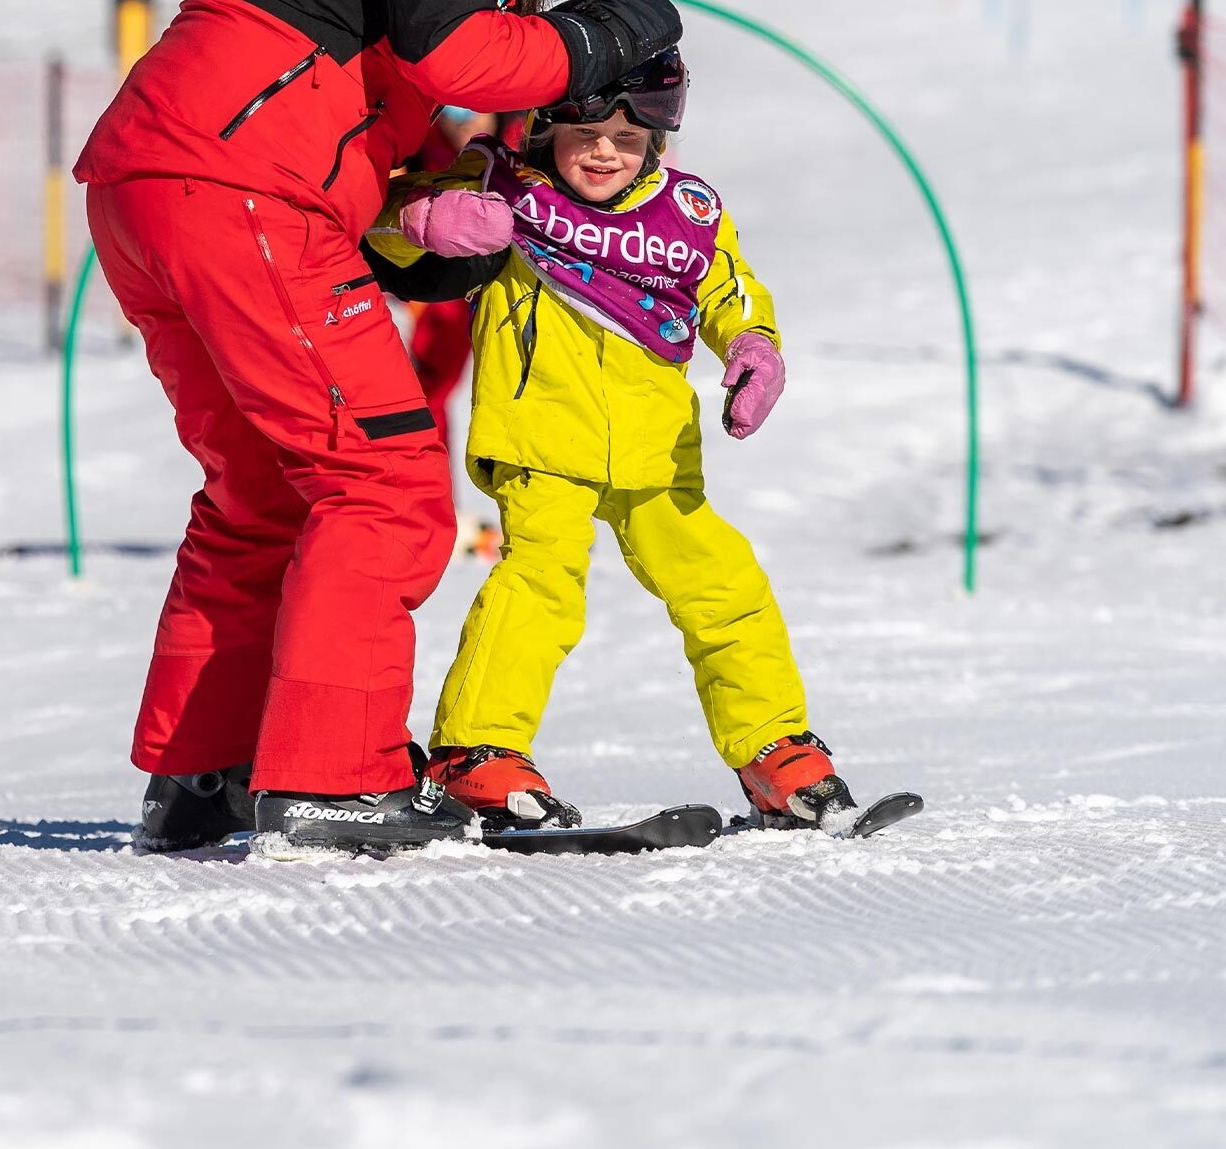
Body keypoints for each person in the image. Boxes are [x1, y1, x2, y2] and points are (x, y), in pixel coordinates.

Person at [78, 0, 688, 858]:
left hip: (158, 187)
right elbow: (458, 49)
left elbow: (385, 112)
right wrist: (599, 38)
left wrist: (434, 222)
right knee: (383, 482)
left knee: (263, 492)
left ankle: (205, 772)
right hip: (240, 189)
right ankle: (334, 778)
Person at [367, 51, 864, 833]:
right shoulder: (500, 182)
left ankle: (775, 749)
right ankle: (476, 751)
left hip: (655, 448)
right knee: (542, 586)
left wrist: (753, 348)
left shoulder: (687, 211)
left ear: (658, 142)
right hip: (539, 434)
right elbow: (384, 227)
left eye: (628, 139)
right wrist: (424, 220)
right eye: (587, 132)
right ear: (548, 128)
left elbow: (729, 289)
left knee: (723, 586)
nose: (605, 152)